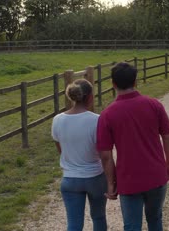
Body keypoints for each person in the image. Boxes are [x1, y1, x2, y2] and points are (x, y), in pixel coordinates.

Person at [97, 62, 169, 231]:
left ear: (113, 84)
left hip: (129, 179)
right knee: (155, 219)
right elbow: (168, 138)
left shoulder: (107, 114)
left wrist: (111, 183)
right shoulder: (154, 105)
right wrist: (168, 164)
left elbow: (105, 155)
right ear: (135, 81)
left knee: (132, 226)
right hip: (156, 175)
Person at [51, 79, 107, 231]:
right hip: (95, 176)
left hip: (70, 179)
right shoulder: (96, 120)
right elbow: (104, 154)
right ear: (89, 97)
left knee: (74, 224)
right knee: (99, 217)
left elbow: (61, 149)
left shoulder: (57, 120)